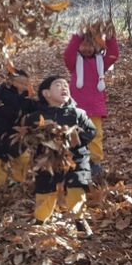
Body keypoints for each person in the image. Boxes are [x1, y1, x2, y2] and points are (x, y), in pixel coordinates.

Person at [20, 76, 97, 238]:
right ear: (46, 93)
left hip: (75, 159)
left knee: (76, 189)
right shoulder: (37, 116)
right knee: (45, 190)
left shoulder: (78, 113)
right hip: (47, 161)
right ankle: (40, 219)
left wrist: (75, 141)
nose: (64, 87)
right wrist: (40, 139)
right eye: (58, 85)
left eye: (65, 85)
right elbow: (28, 136)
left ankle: (79, 220)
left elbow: (91, 131)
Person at [63, 28, 119, 176]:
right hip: (76, 107)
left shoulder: (101, 62)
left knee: (96, 135)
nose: (87, 48)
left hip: (95, 107)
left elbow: (113, 55)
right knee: (75, 134)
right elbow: (68, 54)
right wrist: (77, 37)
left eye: (91, 45)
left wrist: (110, 38)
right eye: (84, 45)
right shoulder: (74, 62)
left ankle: (95, 161)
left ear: (98, 46)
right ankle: (75, 159)